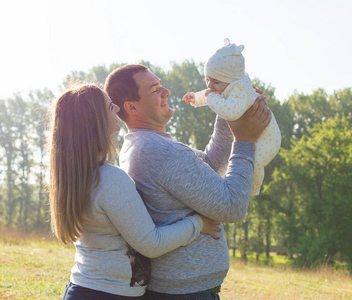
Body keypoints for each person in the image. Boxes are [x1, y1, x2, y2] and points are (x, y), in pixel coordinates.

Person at [105, 64, 271, 299]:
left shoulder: (147, 145)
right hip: (187, 292)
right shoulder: (159, 151)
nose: (166, 92)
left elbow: (211, 166)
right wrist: (245, 140)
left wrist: (229, 109)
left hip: (185, 288)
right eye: (154, 90)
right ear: (131, 107)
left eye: (160, 85)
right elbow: (233, 207)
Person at [49, 83, 222, 300]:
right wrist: (198, 224)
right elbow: (151, 243)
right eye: (110, 107)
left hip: (86, 288)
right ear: (96, 121)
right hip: (108, 294)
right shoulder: (110, 179)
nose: (116, 109)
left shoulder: (77, 177)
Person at [183, 38, 281, 195]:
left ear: (230, 80)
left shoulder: (239, 91)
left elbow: (230, 111)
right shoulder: (227, 84)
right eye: (207, 79)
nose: (209, 85)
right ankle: (248, 189)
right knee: (245, 162)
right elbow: (211, 93)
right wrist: (195, 98)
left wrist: (210, 98)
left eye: (214, 81)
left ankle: (252, 190)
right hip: (255, 134)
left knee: (252, 163)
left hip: (268, 139)